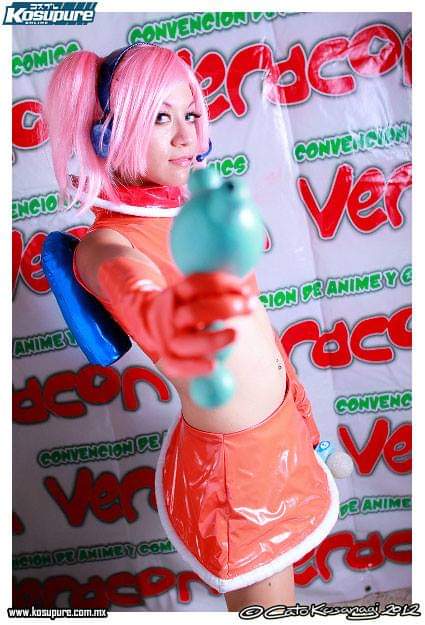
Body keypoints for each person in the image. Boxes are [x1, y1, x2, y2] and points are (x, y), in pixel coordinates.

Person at [43, 43, 339, 612]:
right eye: (161, 117)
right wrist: (163, 317)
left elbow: (254, 330)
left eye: (191, 113)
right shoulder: (106, 243)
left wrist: (300, 413)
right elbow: (127, 282)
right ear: (109, 135)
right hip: (239, 471)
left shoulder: (188, 215)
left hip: (278, 430)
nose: (187, 136)